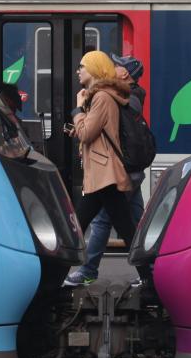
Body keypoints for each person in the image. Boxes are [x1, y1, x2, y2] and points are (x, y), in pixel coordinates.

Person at [62, 51, 152, 286]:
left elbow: (87, 132)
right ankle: (149, 276)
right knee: (124, 226)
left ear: (93, 70)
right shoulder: (103, 96)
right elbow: (97, 133)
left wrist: (78, 110)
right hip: (104, 173)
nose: (78, 71)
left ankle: (54, 276)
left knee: (79, 225)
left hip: (104, 174)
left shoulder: (101, 97)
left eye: (82, 66)